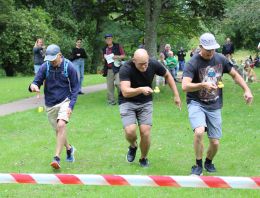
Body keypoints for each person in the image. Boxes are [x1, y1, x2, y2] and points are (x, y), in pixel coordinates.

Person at [182, 33, 253, 176]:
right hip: (196, 103)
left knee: (215, 143)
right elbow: (185, 86)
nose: (210, 52)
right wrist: (202, 84)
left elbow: (235, 75)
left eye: (213, 49)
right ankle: (197, 165)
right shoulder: (193, 63)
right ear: (200, 47)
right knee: (199, 131)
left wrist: (247, 90)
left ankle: (208, 161)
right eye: (207, 49)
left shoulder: (220, 58)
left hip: (214, 104)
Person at [119, 49, 181, 167]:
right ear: (134, 61)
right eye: (141, 64)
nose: (144, 66)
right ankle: (133, 146)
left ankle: (143, 158)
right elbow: (125, 92)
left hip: (145, 102)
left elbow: (167, 75)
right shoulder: (126, 68)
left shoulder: (153, 63)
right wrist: (141, 89)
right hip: (127, 102)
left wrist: (176, 95)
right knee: (130, 131)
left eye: (146, 63)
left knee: (145, 132)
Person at [29, 44, 79, 169]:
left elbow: (75, 88)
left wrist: (70, 106)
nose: (51, 62)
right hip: (50, 103)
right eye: (49, 59)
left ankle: (56, 158)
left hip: (65, 101)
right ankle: (69, 149)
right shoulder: (45, 67)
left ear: (60, 55)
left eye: (53, 59)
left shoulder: (69, 67)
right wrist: (33, 86)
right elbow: (36, 81)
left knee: (61, 125)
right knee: (58, 131)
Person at [102, 34, 125, 105]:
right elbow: (103, 59)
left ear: (112, 39)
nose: (109, 40)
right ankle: (111, 101)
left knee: (118, 83)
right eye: (107, 39)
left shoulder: (118, 46)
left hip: (118, 68)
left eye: (110, 38)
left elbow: (123, 55)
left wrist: (116, 57)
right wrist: (104, 57)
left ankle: (122, 99)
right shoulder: (104, 48)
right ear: (105, 40)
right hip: (109, 69)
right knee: (110, 86)